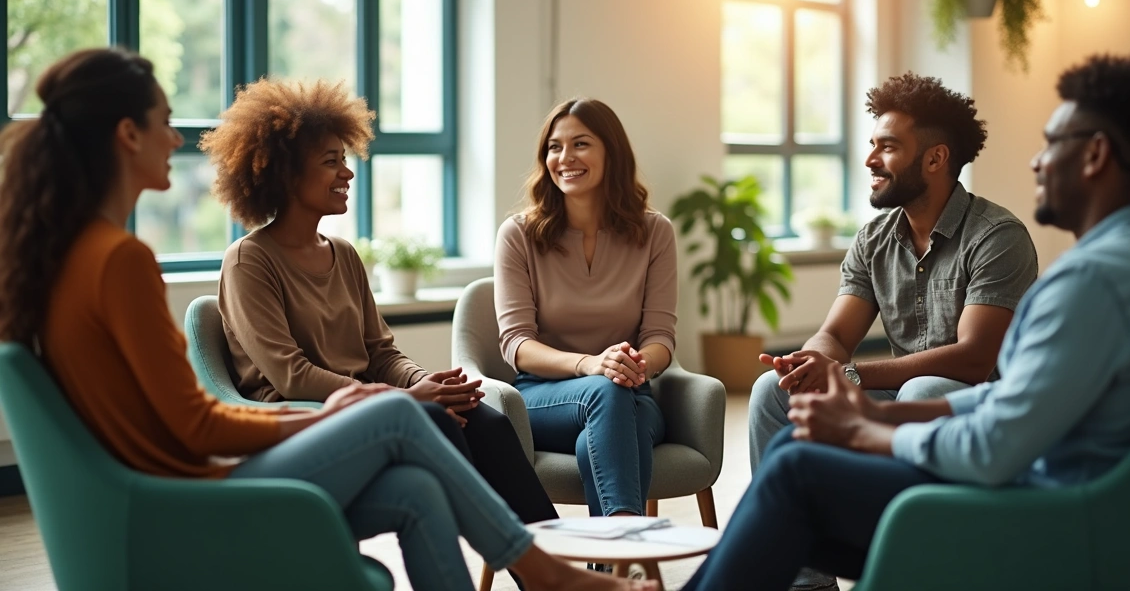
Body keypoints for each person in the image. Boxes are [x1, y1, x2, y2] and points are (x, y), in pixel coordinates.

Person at [0, 47, 654, 591]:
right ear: (127, 134)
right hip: (181, 499)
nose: (177, 139)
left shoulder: (74, 253)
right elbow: (196, 425)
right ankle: (546, 570)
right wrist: (350, 409)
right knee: (400, 413)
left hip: (161, 490)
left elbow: (377, 351)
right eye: (166, 123)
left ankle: (544, 564)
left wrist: (386, 391)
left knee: (418, 487)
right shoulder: (124, 261)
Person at [682, 55, 1130, 591]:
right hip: (1089, 515)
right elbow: (1019, 403)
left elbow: (992, 443)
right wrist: (875, 413)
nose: (1036, 161)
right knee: (792, 471)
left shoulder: (1088, 282)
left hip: (1046, 526)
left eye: (1052, 143)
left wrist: (869, 431)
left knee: (796, 473)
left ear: (1095, 155)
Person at [199, 79, 559, 551]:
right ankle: (535, 564)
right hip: (306, 417)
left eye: (344, 159)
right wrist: (403, 398)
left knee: (485, 419)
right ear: (287, 174)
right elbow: (291, 375)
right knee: (443, 423)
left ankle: (552, 562)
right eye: (331, 161)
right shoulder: (249, 261)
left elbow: (380, 352)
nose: (347, 174)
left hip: (371, 404)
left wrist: (427, 383)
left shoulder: (344, 255)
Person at [749, 73, 1038, 470]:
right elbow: (835, 334)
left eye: (888, 147)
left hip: (980, 405)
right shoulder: (873, 239)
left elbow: (975, 359)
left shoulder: (997, 237)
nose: (870, 159)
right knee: (772, 390)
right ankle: (793, 522)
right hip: (899, 395)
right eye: (872, 145)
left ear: (935, 159)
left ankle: (901, 525)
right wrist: (809, 365)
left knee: (922, 390)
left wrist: (849, 374)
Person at [494, 97, 675, 519]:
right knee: (605, 392)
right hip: (542, 396)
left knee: (599, 429)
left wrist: (629, 365)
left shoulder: (654, 232)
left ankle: (606, 573)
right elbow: (516, 344)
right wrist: (591, 365)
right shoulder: (518, 235)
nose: (564, 158)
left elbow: (661, 338)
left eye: (580, 144)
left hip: (632, 393)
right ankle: (627, 554)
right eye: (554, 147)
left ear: (611, 152)